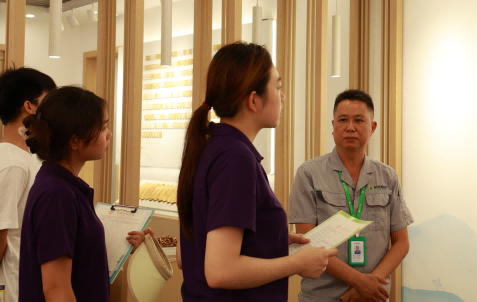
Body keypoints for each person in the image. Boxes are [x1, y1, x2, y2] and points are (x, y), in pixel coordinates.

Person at [176, 41, 338, 302]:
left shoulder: (210, 147)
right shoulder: (235, 158)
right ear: (253, 100)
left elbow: (188, 254)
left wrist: (270, 240)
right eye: (278, 87)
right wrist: (297, 263)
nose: (283, 97)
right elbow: (220, 271)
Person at [19, 86, 150, 302]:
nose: (109, 135)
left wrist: (120, 244)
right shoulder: (57, 194)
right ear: (74, 141)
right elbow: (56, 290)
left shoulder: (64, 186)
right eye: (103, 128)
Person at [289, 89, 414, 302]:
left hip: (373, 295)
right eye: (343, 120)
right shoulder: (308, 174)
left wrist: (370, 284)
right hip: (322, 296)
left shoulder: (387, 176)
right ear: (333, 126)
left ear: (372, 127)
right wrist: (359, 282)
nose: (350, 127)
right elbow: (307, 242)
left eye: (358, 120)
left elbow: (401, 242)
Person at [0, 66, 56, 301]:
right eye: (48, 101)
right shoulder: (13, 163)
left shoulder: (22, 159)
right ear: (29, 106)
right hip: (13, 288)